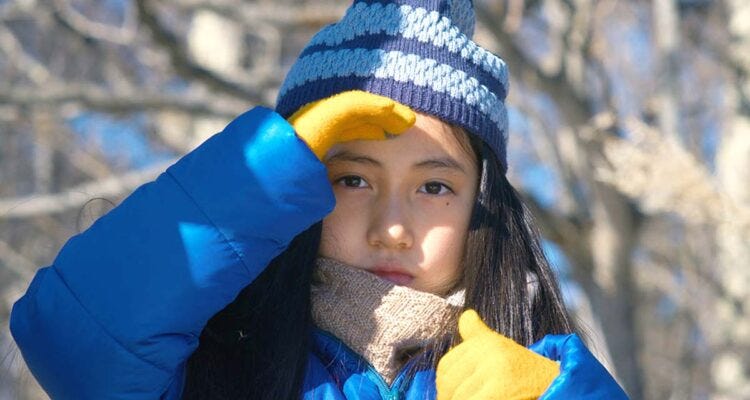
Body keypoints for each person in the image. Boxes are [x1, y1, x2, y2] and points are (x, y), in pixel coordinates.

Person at [10, 1, 630, 399]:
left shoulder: (535, 377)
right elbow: (74, 341)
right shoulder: (215, 364)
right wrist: (265, 167)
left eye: (434, 187)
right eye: (351, 180)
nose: (392, 228)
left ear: (483, 205)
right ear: (296, 193)